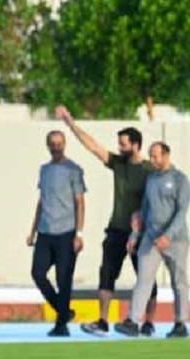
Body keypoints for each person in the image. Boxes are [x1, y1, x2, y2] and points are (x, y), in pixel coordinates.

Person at [55, 109, 154, 335]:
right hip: (116, 230)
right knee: (107, 274)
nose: (119, 148)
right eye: (119, 144)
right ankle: (102, 321)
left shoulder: (149, 170)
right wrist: (70, 123)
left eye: (124, 144)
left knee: (146, 277)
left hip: (143, 233)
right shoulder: (118, 163)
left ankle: (148, 322)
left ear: (136, 145)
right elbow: (93, 147)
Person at [117, 143, 188, 338]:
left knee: (179, 282)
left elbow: (182, 212)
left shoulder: (180, 179)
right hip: (150, 238)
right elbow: (144, 211)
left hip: (176, 241)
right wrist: (134, 236)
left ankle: (180, 324)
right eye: (151, 156)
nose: (153, 160)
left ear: (166, 155)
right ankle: (132, 321)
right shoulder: (151, 179)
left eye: (155, 156)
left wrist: (168, 235)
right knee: (143, 280)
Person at [27, 130, 87, 337]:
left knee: (64, 279)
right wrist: (32, 231)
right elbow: (41, 201)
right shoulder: (44, 170)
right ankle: (64, 311)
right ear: (48, 145)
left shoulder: (74, 170)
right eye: (53, 143)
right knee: (37, 273)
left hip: (66, 232)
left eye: (60, 143)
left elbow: (80, 202)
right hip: (45, 231)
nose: (56, 146)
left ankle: (61, 324)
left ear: (65, 144)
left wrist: (79, 233)